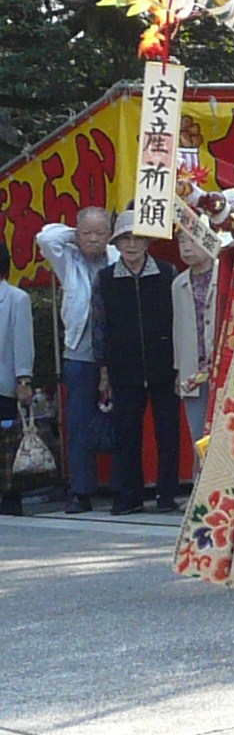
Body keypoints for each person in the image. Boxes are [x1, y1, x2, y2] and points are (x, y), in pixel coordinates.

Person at [92, 209, 179, 515]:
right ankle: (129, 495)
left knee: (168, 432)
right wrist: (103, 368)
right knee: (126, 433)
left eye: (138, 238)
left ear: (147, 242)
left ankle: (167, 495)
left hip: (164, 364)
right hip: (123, 367)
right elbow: (99, 325)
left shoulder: (167, 273)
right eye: (125, 238)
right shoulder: (105, 279)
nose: (131, 245)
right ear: (116, 243)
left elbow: (178, 322)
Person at [37, 207, 117, 514]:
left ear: (110, 235)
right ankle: (81, 490)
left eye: (100, 233)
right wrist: (76, 234)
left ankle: (121, 486)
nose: (94, 239)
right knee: (79, 422)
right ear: (77, 233)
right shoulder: (67, 256)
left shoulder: (116, 255)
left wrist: (94, 234)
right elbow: (45, 237)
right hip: (79, 351)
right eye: (88, 233)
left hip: (115, 349)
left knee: (119, 418)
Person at [172, 227, 217, 474]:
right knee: (199, 433)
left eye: (193, 240)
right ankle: (200, 489)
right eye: (182, 241)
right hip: (193, 370)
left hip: (223, 366)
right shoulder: (178, 283)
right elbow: (177, 329)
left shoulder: (226, 272)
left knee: (226, 432)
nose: (187, 247)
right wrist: (180, 370)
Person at [0, 241, 35, 516]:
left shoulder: (15, 298)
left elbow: (22, 341)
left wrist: (23, 379)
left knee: (7, 443)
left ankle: (11, 497)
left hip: (4, 383)